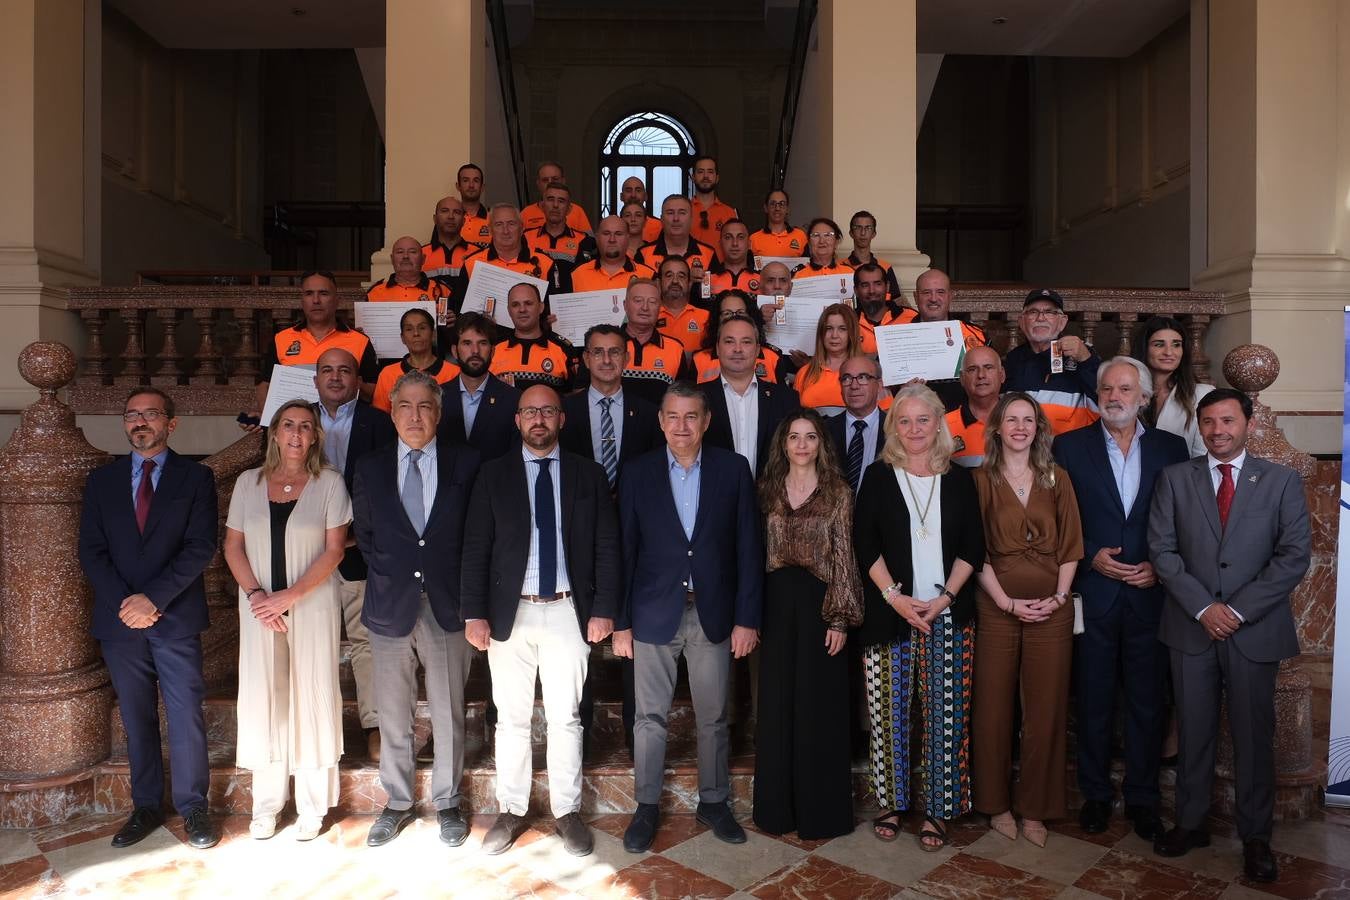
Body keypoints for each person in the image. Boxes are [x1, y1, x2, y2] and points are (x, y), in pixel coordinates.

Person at [1149, 389, 1311, 884]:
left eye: (1228, 421)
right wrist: (1204, 607)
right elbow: (1163, 550)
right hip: (1191, 627)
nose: (1218, 431)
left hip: (1253, 629)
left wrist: (1234, 610)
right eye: (1209, 422)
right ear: (1198, 426)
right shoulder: (1175, 478)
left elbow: (1293, 557)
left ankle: (1256, 837)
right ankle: (1191, 823)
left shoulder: (1281, 480)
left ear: (1248, 423)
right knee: (1193, 731)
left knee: (1253, 736)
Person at [462, 385, 622, 857]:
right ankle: (511, 810)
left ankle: (566, 811)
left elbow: (607, 545)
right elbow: (475, 547)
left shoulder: (587, 475)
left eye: (547, 411)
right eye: (530, 411)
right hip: (510, 613)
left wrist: (604, 608)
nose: (538, 419)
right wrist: (474, 612)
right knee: (510, 720)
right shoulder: (493, 476)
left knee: (566, 719)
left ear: (561, 419)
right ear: (517, 420)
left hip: (570, 612)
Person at [614, 383, 764, 853]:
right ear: (661, 422)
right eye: (673, 417)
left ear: (706, 422)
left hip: (713, 613)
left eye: (691, 417)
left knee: (714, 716)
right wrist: (621, 623)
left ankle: (714, 801)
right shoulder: (636, 473)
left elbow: (748, 548)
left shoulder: (732, 470)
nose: (682, 426)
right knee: (648, 717)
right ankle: (646, 805)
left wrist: (747, 618)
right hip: (653, 613)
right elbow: (624, 552)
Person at [78, 388, 220, 850]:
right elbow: (92, 552)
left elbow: (201, 546)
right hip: (120, 622)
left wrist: (153, 600)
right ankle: (144, 806)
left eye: (151, 414)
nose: (140, 422)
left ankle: (193, 807)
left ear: (170, 423)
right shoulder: (101, 482)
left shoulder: (196, 478)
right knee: (137, 716)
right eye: (132, 415)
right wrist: (127, 602)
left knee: (184, 714)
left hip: (174, 616)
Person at [1051, 357, 1188, 841]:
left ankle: (1144, 798)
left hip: (1151, 595)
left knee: (1148, 702)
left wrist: (1160, 564)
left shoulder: (1173, 449)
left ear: (1144, 398)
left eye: (1125, 389)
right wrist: (1090, 556)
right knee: (1092, 699)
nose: (1114, 397)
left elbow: (1185, 520)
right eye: (1107, 389)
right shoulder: (1068, 447)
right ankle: (1095, 795)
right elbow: (1056, 522)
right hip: (1095, 593)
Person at [351, 370, 481, 848]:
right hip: (389, 605)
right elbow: (366, 536)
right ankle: (399, 801)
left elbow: (475, 536)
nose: (415, 415)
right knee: (393, 711)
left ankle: (448, 802)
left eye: (425, 406)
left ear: (439, 414)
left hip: (448, 606)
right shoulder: (369, 466)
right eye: (405, 405)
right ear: (392, 410)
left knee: (448, 709)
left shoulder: (466, 462)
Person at [853, 384, 986, 851]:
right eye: (904, 421)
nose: (914, 429)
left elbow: (974, 546)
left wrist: (945, 597)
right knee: (887, 713)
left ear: (938, 424)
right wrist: (895, 598)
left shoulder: (959, 477)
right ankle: (890, 802)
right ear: (893, 427)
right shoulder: (877, 475)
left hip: (947, 613)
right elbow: (863, 544)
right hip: (890, 613)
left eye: (923, 420)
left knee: (946, 717)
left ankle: (937, 808)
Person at [222, 400, 351, 841]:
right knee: (265, 698)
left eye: (306, 427)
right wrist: (259, 597)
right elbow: (233, 547)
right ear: (274, 432)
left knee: (312, 695)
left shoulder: (330, 483)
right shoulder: (247, 482)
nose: (296, 434)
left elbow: (335, 550)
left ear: (315, 436)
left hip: (311, 604)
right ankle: (267, 805)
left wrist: (290, 597)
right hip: (259, 609)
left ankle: (312, 805)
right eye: (288, 425)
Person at [971, 392, 1083, 848]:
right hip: (996, 608)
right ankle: (996, 805)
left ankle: (1036, 809)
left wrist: (1058, 597)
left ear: (1039, 428)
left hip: (1053, 612)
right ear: (996, 427)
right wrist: (1006, 601)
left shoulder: (1058, 478)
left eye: (1028, 420)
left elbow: (1072, 544)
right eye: (1011, 419)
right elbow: (972, 551)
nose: (1020, 427)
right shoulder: (978, 480)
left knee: (1045, 709)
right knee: (993, 707)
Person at [752, 410, 863, 840]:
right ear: (782, 443)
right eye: (793, 436)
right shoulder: (765, 491)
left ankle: (822, 814)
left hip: (821, 604)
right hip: (775, 603)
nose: (801, 444)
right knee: (777, 705)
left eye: (810, 436)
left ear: (821, 444)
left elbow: (843, 557)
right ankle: (776, 812)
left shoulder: (838, 492)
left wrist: (839, 617)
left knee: (819, 708)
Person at [312, 348, 397, 761]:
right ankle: (316, 726)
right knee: (312, 643)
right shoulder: (295, 423)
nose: (335, 377)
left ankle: (375, 724)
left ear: (357, 380)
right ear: (315, 379)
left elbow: (386, 491)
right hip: (306, 557)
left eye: (344, 370)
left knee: (366, 641)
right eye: (326, 370)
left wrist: (353, 538)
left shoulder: (379, 424)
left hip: (359, 551)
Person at [251, 270, 379, 420]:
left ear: (337, 300)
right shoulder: (282, 339)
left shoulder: (359, 341)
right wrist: (268, 420)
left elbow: (374, 391)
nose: (316, 300)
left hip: (345, 426)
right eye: (309, 293)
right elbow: (264, 386)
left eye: (323, 293)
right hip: (296, 430)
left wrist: (348, 382)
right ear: (302, 300)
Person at [560, 324, 663, 492]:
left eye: (614, 352)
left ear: (626, 358)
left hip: (632, 510)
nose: (607, 360)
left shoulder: (648, 413)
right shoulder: (565, 411)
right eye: (598, 352)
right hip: (580, 510)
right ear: (586, 359)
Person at [699, 314, 800, 477]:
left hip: (771, 499)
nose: (738, 349)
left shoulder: (786, 399)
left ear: (758, 349)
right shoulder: (697, 398)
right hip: (716, 499)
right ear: (717, 348)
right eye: (729, 341)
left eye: (746, 342)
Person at [1003, 288, 1100, 434]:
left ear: (1062, 322)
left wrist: (1087, 360)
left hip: (1066, 453)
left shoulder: (1082, 356)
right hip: (1023, 452)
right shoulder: (1012, 360)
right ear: (1022, 321)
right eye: (1033, 312)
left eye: (1050, 312)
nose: (1041, 318)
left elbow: (1106, 401)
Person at [437, 312, 522, 461]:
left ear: (493, 351)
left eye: (482, 343)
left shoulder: (514, 399)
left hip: (495, 484)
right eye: (467, 343)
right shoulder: (436, 397)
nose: (475, 351)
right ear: (454, 351)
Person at [907, 269, 991, 410]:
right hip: (915, 420)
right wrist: (902, 390)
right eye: (926, 293)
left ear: (950, 296)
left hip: (964, 420)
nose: (933, 298)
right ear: (916, 297)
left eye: (940, 292)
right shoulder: (897, 338)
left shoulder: (975, 336)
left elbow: (991, 383)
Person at [1133, 315, 1214, 458]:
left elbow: (1203, 456)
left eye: (1176, 344)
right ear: (1144, 348)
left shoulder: (1202, 394)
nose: (1169, 352)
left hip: (1183, 477)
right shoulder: (1126, 392)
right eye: (1159, 344)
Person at [795, 304, 892, 416]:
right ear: (821, 333)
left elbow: (887, 422)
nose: (834, 335)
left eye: (842, 329)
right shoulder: (804, 373)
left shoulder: (870, 372)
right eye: (829, 328)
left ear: (852, 333)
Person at [464, 204, 569, 299]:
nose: (505, 231)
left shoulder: (545, 263)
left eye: (511, 224)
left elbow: (553, 310)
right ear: (490, 230)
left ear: (522, 227)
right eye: (499, 224)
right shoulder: (471, 264)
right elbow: (460, 311)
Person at [489, 282, 575, 393]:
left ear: (541, 307)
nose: (522, 309)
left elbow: (574, 396)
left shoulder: (563, 348)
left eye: (528, 303)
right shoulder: (493, 348)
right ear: (509, 310)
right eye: (515, 305)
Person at [619, 278, 693, 405]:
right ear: (625, 305)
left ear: (660, 308)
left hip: (659, 424)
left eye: (652, 302)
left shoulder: (675, 349)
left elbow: (683, 399)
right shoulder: (605, 343)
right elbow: (584, 392)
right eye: (638, 301)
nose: (645, 307)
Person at [372, 308, 460, 414]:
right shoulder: (388, 374)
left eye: (422, 328)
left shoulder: (454, 373)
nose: (416, 333)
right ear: (402, 338)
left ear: (433, 334)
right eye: (409, 329)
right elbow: (380, 417)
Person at [692, 290, 790, 385]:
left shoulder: (772, 357)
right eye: (727, 313)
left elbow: (782, 398)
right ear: (717, 318)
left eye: (740, 313)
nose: (734, 318)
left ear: (751, 316)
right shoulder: (699, 359)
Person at [826, 355, 887, 492]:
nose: (854, 386)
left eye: (863, 377)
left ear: (879, 385)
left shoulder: (896, 430)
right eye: (846, 378)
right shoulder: (824, 430)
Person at [366, 236, 453, 320]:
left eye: (412, 252)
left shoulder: (440, 290)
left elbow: (446, 325)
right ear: (392, 259)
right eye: (400, 252)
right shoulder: (375, 292)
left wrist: (449, 322)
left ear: (423, 259)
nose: (406, 256)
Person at [946, 347, 1005, 468]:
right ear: (962, 378)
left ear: (1002, 375)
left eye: (988, 368)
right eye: (972, 369)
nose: (981, 375)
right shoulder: (943, 426)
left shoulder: (1021, 422)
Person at [637, 194, 716, 281]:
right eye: (670, 213)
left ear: (691, 219)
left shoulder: (708, 254)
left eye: (682, 213)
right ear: (661, 219)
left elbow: (713, 292)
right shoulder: (643, 254)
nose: (676, 218)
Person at [571, 215, 655, 292]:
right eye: (606, 234)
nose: (612, 239)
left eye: (618, 234)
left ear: (627, 239)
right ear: (597, 238)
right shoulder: (577, 275)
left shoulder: (648, 275)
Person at [525, 182, 597, 266]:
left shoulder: (583, 240)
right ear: (543, 206)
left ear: (569, 209)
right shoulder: (526, 237)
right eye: (550, 199)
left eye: (561, 201)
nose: (555, 205)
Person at [656, 256, 711, 353]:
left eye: (681, 276)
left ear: (689, 283)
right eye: (669, 275)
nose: (675, 281)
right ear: (659, 282)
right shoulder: (649, 317)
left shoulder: (706, 317)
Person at [854, 263, 909, 356]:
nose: (872, 291)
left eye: (878, 284)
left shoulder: (911, 317)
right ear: (856, 290)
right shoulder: (847, 321)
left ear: (887, 286)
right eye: (865, 285)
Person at [845, 211, 903, 298]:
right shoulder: (840, 266)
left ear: (874, 234)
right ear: (851, 233)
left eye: (868, 228)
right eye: (858, 227)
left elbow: (895, 301)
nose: (863, 233)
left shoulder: (885, 267)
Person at [522, 161, 592, 232]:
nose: (550, 183)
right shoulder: (526, 213)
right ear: (538, 183)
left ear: (563, 181)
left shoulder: (577, 212)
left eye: (555, 179)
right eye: (545, 180)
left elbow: (589, 242)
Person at [422, 196, 473, 289]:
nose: (450, 216)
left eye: (457, 212)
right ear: (435, 219)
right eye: (445, 211)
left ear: (463, 221)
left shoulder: (477, 254)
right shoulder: (420, 255)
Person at [749, 189, 808, 262]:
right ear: (766, 208)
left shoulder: (800, 236)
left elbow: (808, 266)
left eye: (782, 204)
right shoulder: (754, 239)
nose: (777, 208)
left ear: (787, 209)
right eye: (773, 203)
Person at [706, 219, 760, 296]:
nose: (735, 243)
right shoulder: (707, 280)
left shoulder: (762, 279)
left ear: (749, 244)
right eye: (728, 237)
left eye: (740, 237)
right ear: (720, 244)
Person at [455, 163, 490, 246]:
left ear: (482, 187)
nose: (471, 185)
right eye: (466, 180)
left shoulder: (495, 220)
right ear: (458, 186)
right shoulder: (449, 219)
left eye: (476, 180)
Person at [620, 176, 663, 242]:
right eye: (628, 191)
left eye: (638, 191)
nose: (633, 195)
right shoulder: (612, 225)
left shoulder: (660, 226)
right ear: (621, 197)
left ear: (645, 196)